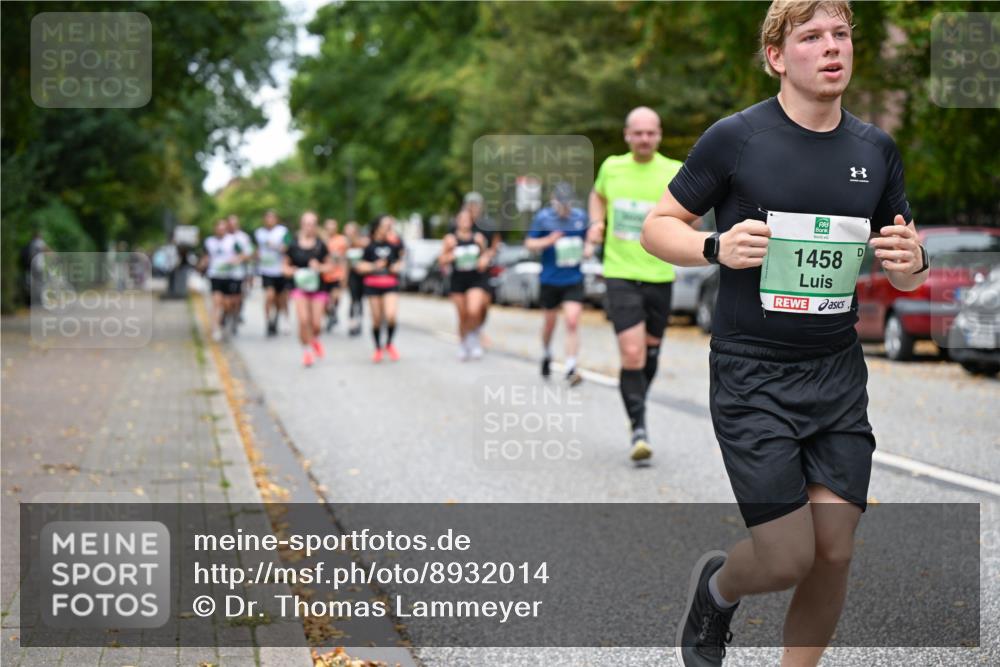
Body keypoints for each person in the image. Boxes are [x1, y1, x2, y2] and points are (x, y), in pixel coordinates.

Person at [638, 3, 929, 665]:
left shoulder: (875, 150)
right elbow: (658, 226)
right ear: (777, 56)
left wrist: (914, 265)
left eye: (840, 36)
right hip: (751, 373)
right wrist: (714, 244)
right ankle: (718, 587)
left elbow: (902, 260)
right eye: (811, 37)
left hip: (835, 371)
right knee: (786, 554)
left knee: (835, 548)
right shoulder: (735, 139)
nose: (832, 49)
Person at [587, 106, 683, 462]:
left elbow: (689, 211)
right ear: (627, 135)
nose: (644, 139)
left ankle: (637, 405)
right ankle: (639, 426)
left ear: (659, 135)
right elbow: (597, 196)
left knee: (650, 354)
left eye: (651, 133)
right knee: (632, 353)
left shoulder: (674, 171)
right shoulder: (612, 167)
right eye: (638, 133)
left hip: (660, 274)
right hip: (620, 272)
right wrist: (597, 223)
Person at [526, 182, 593, 385]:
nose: (564, 209)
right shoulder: (543, 218)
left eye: (567, 205)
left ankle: (571, 366)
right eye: (560, 204)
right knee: (549, 323)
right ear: (553, 201)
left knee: (572, 321)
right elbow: (529, 244)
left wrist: (589, 247)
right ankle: (546, 353)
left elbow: (590, 238)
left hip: (573, 279)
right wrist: (549, 240)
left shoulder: (580, 218)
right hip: (550, 280)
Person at [283, 211, 333, 367]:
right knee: (304, 321)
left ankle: (315, 340)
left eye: (312, 224)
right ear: (301, 225)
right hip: (299, 287)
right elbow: (284, 266)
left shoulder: (321, 245)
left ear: (316, 226)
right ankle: (306, 352)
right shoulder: (293, 244)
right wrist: (293, 271)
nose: (309, 227)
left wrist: (319, 267)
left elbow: (330, 266)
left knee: (316, 324)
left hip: (318, 288)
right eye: (306, 223)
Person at [440, 208, 490, 360]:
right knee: (462, 315)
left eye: (467, 219)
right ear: (457, 221)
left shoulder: (478, 238)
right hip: (458, 279)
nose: (465, 222)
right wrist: (452, 254)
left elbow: (485, 256)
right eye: (462, 219)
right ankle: (463, 343)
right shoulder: (450, 239)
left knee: (474, 310)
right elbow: (442, 260)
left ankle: (474, 337)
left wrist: (483, 260)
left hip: (475, 278)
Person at [357, 215, 405, 362]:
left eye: (390, 226)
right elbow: (359, 266)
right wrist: (374, 266)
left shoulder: (395, 244)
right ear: (377, 227)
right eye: (386, 225)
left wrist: (397, 267)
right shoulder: (368, 245)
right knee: (377, 319)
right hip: (373, 285)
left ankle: (389, 344)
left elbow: (401, 262)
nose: (388, 228)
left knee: (391, 315)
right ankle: (378, 348)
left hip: (390, 284)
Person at [462, 191, 501, 348]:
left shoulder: (488, 225)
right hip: (463, 272)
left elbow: (495, 244)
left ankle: (478, 328)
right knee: (468, 308)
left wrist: (486, 256)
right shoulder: (459, 223)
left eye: (476, 205)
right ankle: (468, 336)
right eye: (470, 205)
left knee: (483, 304)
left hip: (483, 271)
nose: (473, 208)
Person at [199, 219, 243, 342]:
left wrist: (237, 259)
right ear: (215, 229)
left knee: (228, 304)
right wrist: (203, 264)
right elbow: (206, 256)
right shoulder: (209, 242)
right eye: (219, 228)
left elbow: (243, 254)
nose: (221, 230)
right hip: (215, 275)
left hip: (229, 276)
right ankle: (216, 328)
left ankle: (226, 318)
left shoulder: (233, 241)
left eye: (223, 228)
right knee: (216, 302)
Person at [254, 209, 291, 337]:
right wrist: (257, 255)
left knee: (281, 299)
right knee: (269, 296)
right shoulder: (259, 233)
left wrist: (275, 246)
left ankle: (282, 318)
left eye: (272, 218)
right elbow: (258, 249)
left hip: (280, 269)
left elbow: (287, 247)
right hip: (266, 270)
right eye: (267, 218)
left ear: (276, 219)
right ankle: (268, 321)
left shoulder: (283, 231)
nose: (270, 220)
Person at [227, 214, 255, 332]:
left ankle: (236, 315)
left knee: (237, 297)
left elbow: (249, 254)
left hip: (239, 272)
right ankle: (227, 315)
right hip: (224, 274)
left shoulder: (243, 237)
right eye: (230, 223)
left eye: (235, 223)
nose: (232, 226)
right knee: (226, 299)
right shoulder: (224, 236)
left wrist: (239, 259)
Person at [322, 218, 349, 333]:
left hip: (337, 274)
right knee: (325, 302)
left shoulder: (342, 240)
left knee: (335, 297)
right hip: (324, 274)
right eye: (328, 227)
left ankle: (334, 312)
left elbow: (345, 258)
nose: (330, 229)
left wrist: (345, 275)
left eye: (333, 226)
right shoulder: (322, 240)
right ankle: (331, 315)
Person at [343, 222, 367, 337]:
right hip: (352, 275)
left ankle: (359, 321)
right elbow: (345, 263)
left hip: (363, 275)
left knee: (361, 299)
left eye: (350, 230)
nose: (348, 233)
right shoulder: (346, 245)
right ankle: (352, 323)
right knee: (353, 299)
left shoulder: (363, 243)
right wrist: (344, 278)